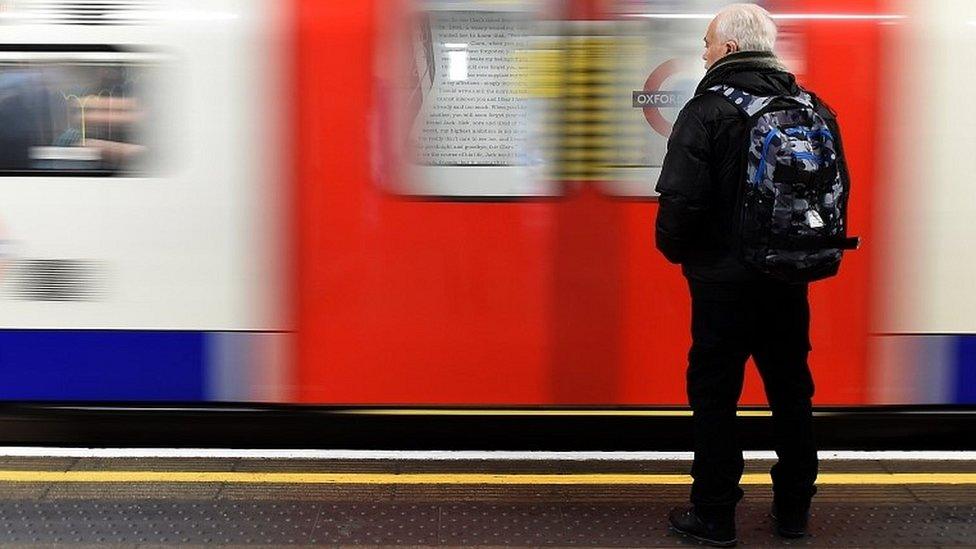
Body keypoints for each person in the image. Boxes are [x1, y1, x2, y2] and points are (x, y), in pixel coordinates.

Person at [656, 3, 841, 546]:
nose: (704, 51)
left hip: (721, 282)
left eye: (708, 42)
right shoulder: (813, 107)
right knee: (791, 390)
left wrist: (677, 251)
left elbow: (681, 199)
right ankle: (793, 511)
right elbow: (835, 191)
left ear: (730, 50)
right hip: (789, 277)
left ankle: (714, 514)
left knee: (716, 395)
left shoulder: (708, 109)